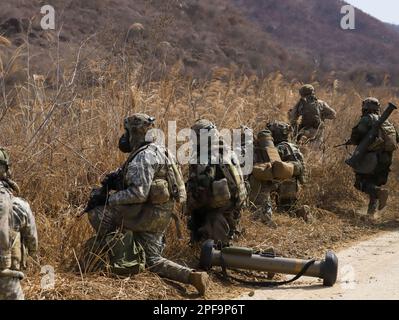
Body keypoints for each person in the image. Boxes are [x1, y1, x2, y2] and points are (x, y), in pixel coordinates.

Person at [87, 114, 209, 295]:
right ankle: (192, 276)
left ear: (134, 132)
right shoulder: (161, 150)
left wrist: (107, 199)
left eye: (127, 131)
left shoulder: (142, 157)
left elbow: (138, 193)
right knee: (153, 259)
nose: (124, 136)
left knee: (97, 212)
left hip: (146, 215)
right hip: (162, 215)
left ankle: (121, 253)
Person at [186, 119, 248, 245]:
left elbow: (199, 195)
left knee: (213, 250)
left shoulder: (205, 158)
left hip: (217, 214)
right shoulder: (227, 151)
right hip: (234, 208)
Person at [348, 98, 399, 215]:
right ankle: (371, 213)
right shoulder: (387, 122)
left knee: (360, 182)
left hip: (371, 158)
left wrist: (353, 141)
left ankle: (379, 192)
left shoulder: (366, 119)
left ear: (365, 108)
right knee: (374, 182)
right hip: (386, 158)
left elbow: (357, 136)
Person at [0, 148, 38, 300]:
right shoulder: (19, 206)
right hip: (7, 278)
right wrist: (32, 257)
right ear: (6, 169)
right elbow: (32, 241)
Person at [266, 121, 306, 213]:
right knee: (290, 208)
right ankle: (301, 211)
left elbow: (271, 166)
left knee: (285, 210)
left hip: (284, 184)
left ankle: (302, 212)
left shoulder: (279, 148)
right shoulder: (293, 146)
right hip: (294, 183)